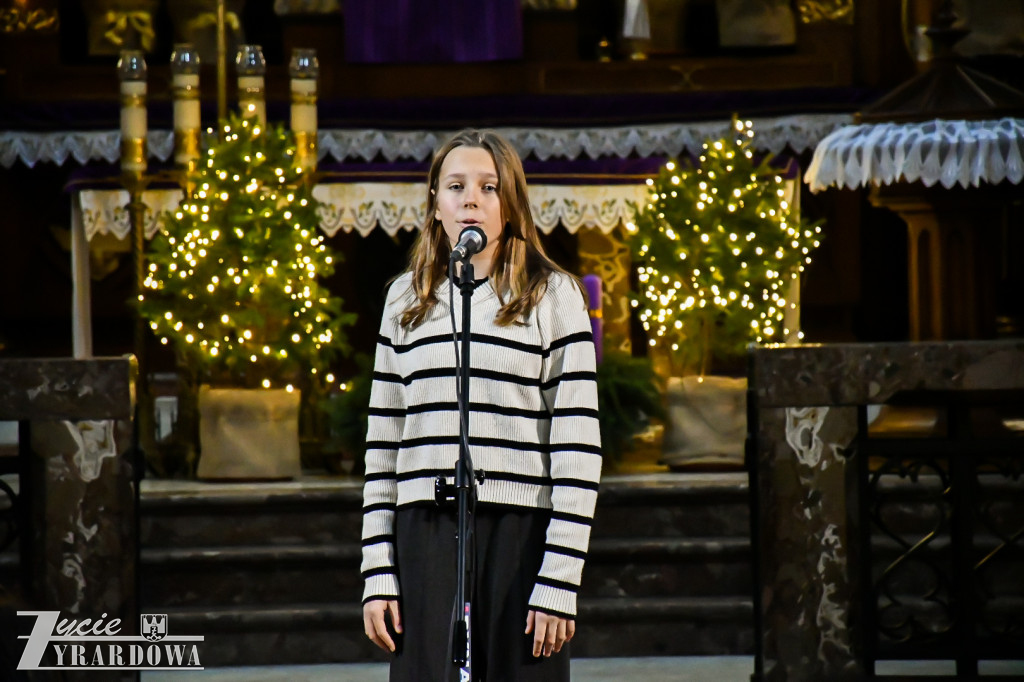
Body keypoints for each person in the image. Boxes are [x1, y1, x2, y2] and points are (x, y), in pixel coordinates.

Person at [359, 129, 602, 682]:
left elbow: (578, 446)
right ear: (436, 205)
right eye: (456, 186)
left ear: (510, 205)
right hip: (423, 533)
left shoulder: (553, 295)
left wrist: (560, 577)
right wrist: (379, 571)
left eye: (489, 187)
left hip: (519, 536)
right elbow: (382, 447)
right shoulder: (404, 299)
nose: (471, 199)